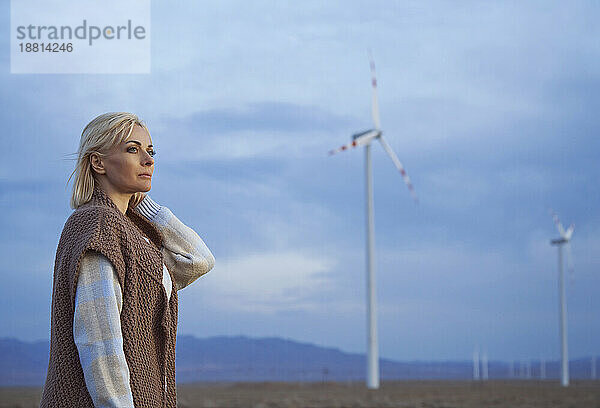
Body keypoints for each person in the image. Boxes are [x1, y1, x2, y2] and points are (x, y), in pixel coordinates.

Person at [40, 112, 215, 407]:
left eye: (151, 151)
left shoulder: (132, 236)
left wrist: (143, 205)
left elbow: (197, 260)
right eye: (133, 149)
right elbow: (99, 342)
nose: (148, 160)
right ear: (98, 163)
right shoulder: (97, 225)